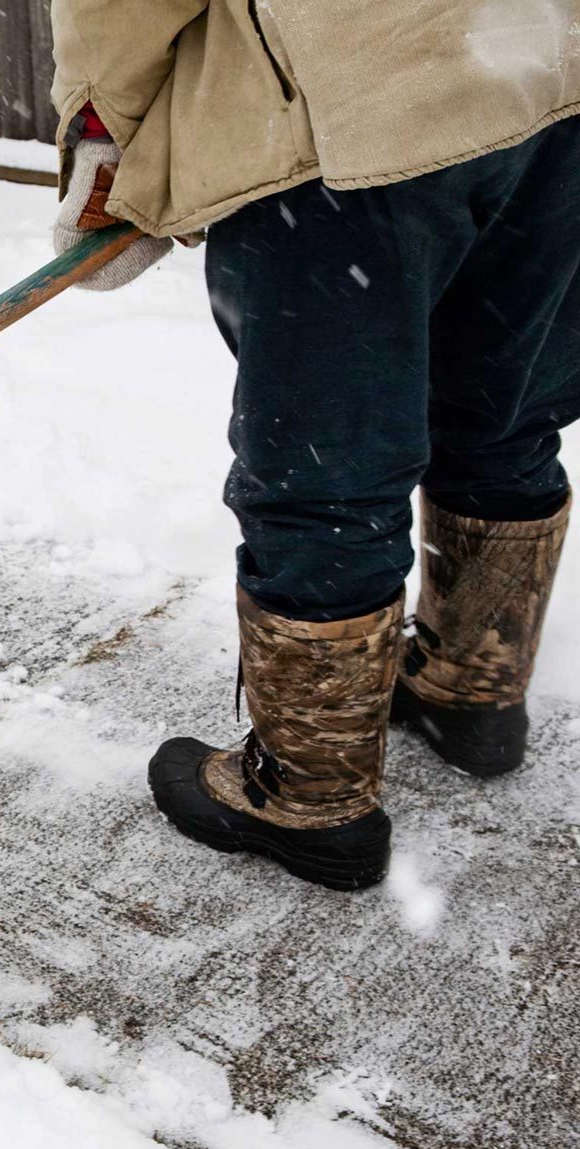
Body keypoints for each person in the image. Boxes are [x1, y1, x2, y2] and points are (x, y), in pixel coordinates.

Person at [50, 1, 580, 890]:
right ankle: (470, 693)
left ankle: (306, 797)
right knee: (502, 409)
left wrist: (101, 135)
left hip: (352, 114)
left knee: (326, 467)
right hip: (547, 80)